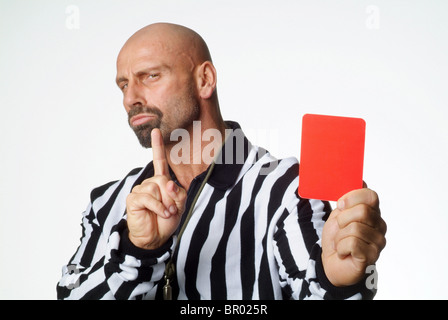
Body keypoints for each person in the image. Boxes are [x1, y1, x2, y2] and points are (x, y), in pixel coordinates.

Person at [57, 22, 387, 300]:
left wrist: (337, 280)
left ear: (205, 80)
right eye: (124, 84)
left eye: (150, 76)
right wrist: (137, 250)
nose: (131, 98)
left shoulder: (285, 188)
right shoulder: (107, 202)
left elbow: (313, 286)